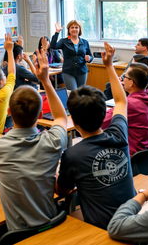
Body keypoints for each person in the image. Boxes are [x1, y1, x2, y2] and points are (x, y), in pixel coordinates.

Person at [0, 49, 68, 231]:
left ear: (9, 112)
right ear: (41, 114)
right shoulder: (53, 141)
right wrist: (45, 81)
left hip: (17, 233)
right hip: (52, 222)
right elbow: (61, 118)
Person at [57, 42, 135, 230]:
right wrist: (109, 66)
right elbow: (120, 101)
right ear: (103, 116)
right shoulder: (119, 134)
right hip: (133, 217)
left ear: (74, 123)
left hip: (103, 229)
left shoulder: (73, 155)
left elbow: (62, 190)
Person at [122, 62, 148, 156]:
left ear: (131, 82)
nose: (122, 79)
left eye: (124, 76)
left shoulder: (130, 103)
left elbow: (102, 122)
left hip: (131, 158)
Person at [50, 20, 93, 90]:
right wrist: (57, 32)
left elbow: (90, 56)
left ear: (79, 29)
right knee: (73, 93)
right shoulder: (64, 41)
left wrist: (89, 58)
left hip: (82, 71)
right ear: (69, 30)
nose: (74, 29)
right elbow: (53, 46)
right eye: (72, 27)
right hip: (68, 72)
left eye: (76, 27)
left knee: (80, 94)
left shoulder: (85, 42)